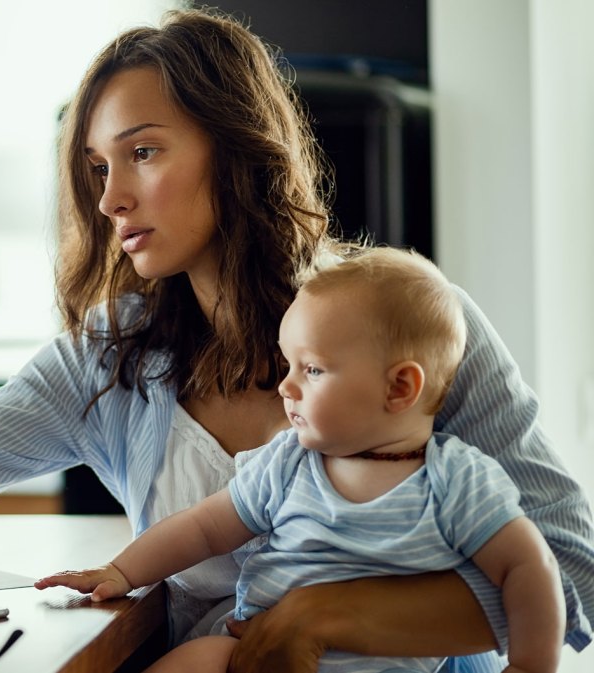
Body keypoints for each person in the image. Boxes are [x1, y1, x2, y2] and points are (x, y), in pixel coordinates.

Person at [0, 9, 594, 671]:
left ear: (240, 149)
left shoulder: (413, 332)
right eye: (95, 165)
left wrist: (319, 617)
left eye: (145, 153)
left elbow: (570, 575)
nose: (111, 197)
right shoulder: (117, 353)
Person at [35, 247, 564, 673]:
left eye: (311, 370)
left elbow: (531, 567)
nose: (285, 385)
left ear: (399, 387)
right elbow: (201, 529)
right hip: (252, 654)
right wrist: (121, 571)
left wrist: (529, 665)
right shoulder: (289, 462)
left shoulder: (455, 481)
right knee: (200, 658)